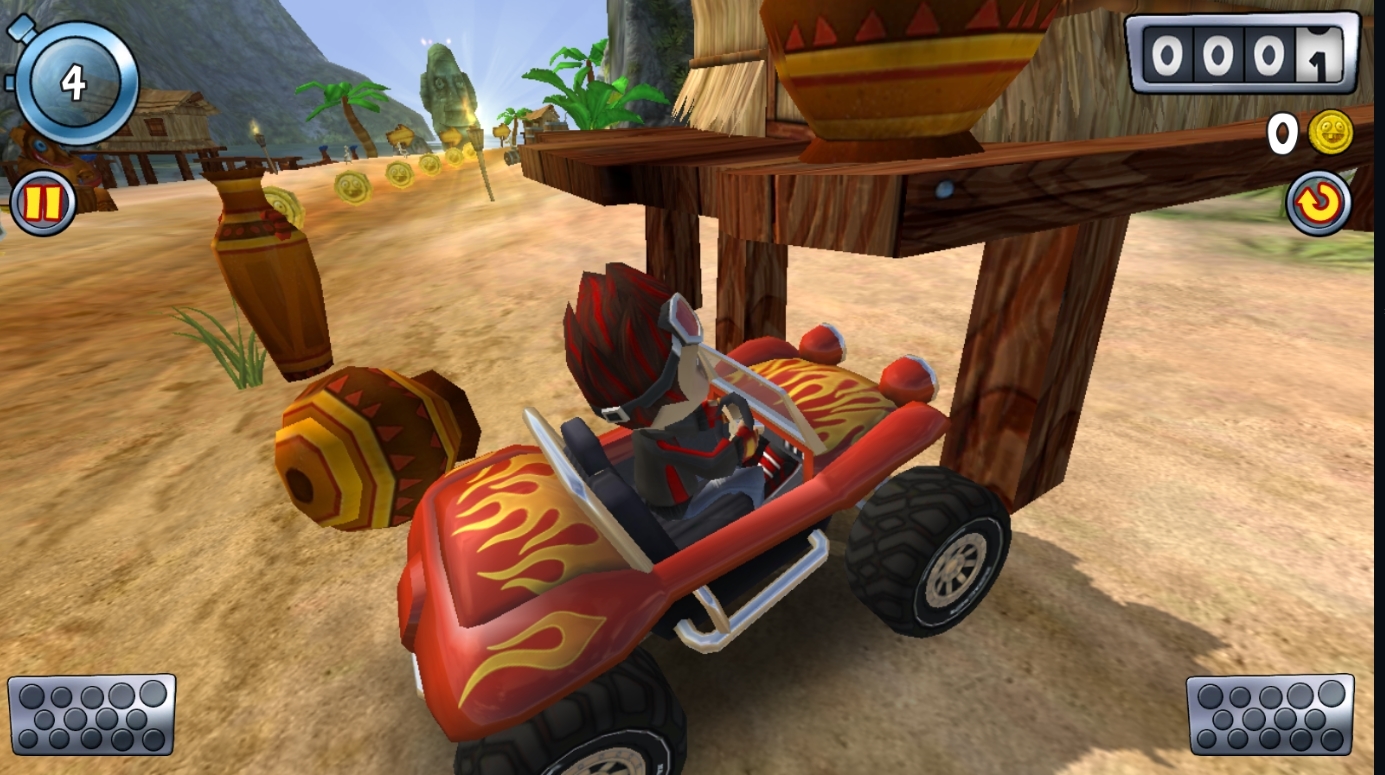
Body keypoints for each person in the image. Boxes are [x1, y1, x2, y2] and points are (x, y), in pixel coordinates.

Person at [563, 263, 769, 520]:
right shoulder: (658, 445)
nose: (704, 371)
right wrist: (742, 444)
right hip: (679, 511)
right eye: (696, 365)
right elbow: (713, 464)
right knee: (754, 476)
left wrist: (716, 411)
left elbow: (681, 424)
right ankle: (762, 518)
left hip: (664, 497)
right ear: (661, 395)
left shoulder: (650, 429)